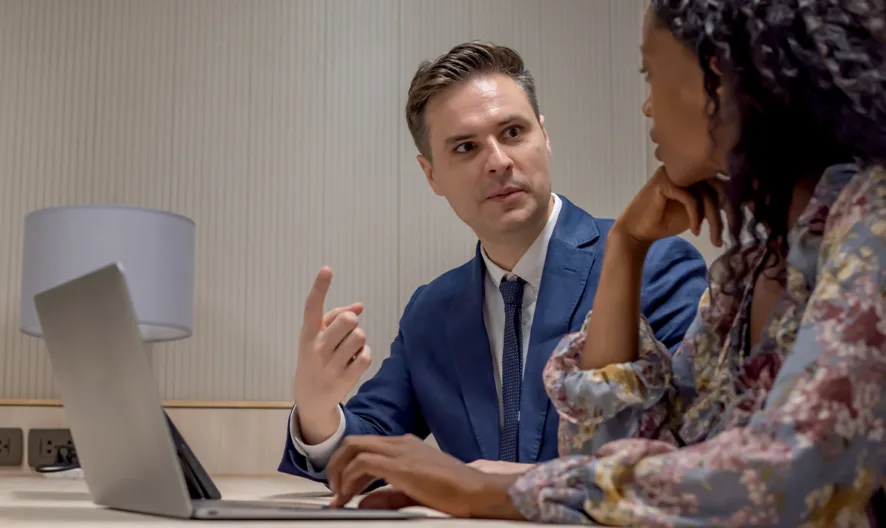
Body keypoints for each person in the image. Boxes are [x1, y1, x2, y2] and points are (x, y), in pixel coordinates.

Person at [320, 0, 886, 525]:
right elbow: (627, 454)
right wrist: (625, 248)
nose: (645, 104)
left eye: (650, 74)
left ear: (732, 78)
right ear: (432, 174)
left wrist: (484, 490)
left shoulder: (873, 218)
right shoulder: (749, 272)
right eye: (465, 147)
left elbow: (794, 472)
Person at [278, 40, 709, 484]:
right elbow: (367, 454)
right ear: (432, 175)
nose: (498, 162)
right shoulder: (431, 311)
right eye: (465, 148)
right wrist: (316, 410)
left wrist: (516, 485)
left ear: (545, 136)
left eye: (513, 133)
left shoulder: (654, 265)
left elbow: (698, 449)